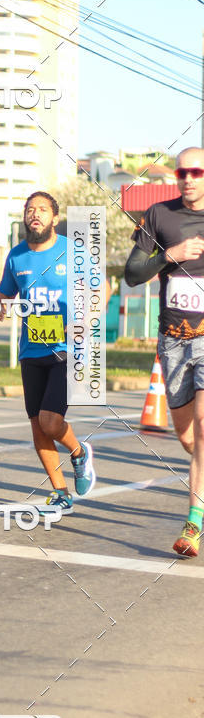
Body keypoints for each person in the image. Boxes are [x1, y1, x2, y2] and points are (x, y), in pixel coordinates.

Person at [0, 191, 97, 514]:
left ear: (55, 218)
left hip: (68, 349)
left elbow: (98, 290)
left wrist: (82, 320)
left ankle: (79, 453)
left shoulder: (72, 252)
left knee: (51, 421)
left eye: (42, 210)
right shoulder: (16, 256)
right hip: (31, 350)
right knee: (38, 426)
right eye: (30, 210)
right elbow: (5, 297)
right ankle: (61, 492)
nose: (34, 214)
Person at [125, 147, 204, 558]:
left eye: (197, 171)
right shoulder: (160, 215)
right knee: (189, 438)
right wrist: (170, 255)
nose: (188, 178)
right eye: (182, 171)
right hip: (172, 340)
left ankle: (193, 523)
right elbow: (132, 274)